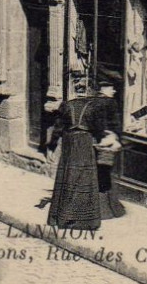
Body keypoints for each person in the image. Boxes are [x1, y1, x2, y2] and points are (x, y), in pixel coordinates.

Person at [47, 77, 103, 231]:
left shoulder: (66, 105)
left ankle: (64, 217)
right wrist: (99, 140)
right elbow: (98, 129)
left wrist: (52, 146)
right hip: (85, 143)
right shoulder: (93, 107)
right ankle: (86, 220)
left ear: (75, 90)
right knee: (85, 179)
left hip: (69, 144)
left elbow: (58, 128)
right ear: (87, 90)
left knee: (68, 177)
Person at [91, 73, 126, 220]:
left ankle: (96, 207)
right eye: (112, 87)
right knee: (106, 175)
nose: (114, 91)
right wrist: (115, 137)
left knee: (97, 173)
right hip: (107, 142)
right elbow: (113, 124)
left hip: (96, 142)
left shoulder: (92, 101)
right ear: (104, 88)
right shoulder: (110, 103)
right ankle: (107, 210)